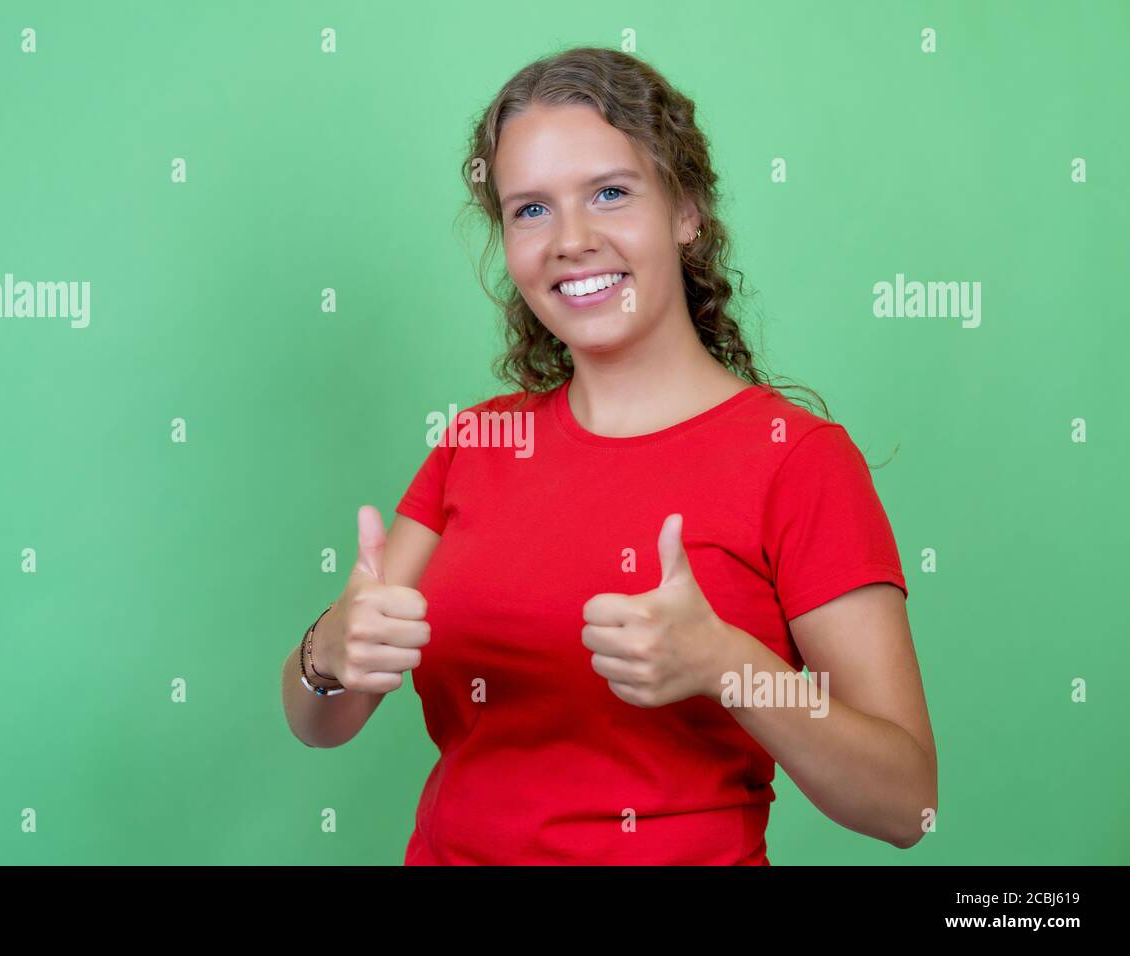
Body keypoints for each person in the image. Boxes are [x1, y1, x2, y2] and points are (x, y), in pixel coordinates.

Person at [280, 46, 937, 865]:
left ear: (687, 210)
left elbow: (907, 804)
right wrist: (330, 651)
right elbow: (322, 722)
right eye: (530, 210)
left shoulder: (797, 461)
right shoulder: (477, 440)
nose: (571, 240)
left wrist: (728, 664)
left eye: (611, 193)